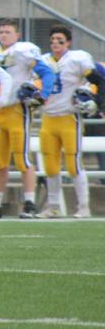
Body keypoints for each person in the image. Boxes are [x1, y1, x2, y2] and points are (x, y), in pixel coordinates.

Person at [0, 19, 56, 219]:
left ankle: (30, 203)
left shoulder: (23, 51)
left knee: (23, 159)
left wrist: (44, 94)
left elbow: (46, 72)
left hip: (18, 110)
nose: (4, 35)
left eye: (8, 32)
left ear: (17, 35)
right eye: (1, 31)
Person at [37, 26, 104, 219]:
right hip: (48, 118)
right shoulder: (43, 61)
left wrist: (97, 102)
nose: (55, 43)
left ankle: (83, 206)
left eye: (59, 40)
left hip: (68, 117)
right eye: (52, 40)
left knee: (73, 164)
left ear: (68, 42)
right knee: (50, 165)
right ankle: (54, 206)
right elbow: (34, 86)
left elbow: (100, 80)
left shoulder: (77, 59)